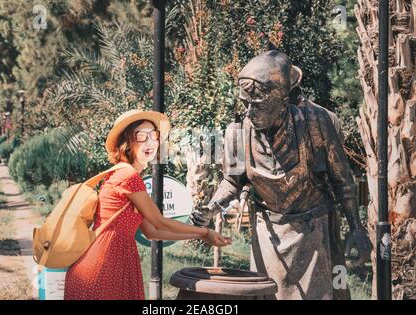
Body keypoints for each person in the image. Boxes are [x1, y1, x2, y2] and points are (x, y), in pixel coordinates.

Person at [191, 50, 372, 300]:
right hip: (268, 235)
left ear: (283, 100)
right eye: (245, 104)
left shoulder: (316, 123)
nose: (249, 113)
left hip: (315, 233)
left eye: (258, 105)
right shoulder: (238, 132)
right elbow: (232, 180)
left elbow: (343, 180)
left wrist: (356, 227)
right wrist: (212, 207)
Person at [64, 109, 231, 300]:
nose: (150, 141)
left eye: (154, 135)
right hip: (103, 263)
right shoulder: (128, 176)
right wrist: (204, 232)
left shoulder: (123, 174)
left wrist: (200, 236)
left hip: (113, 260)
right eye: (141, 136)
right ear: (127, 142)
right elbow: (160, 222)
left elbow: (152, 231)